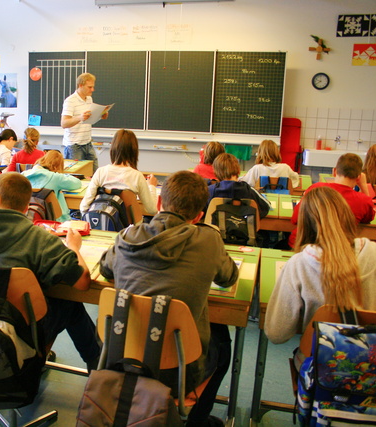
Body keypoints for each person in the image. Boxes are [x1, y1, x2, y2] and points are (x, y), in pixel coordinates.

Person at [99, 170, 239, 427]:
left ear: (160, 202)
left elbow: (105, 269)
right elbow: (229, 278)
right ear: (199, 215)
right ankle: (194, 420)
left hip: (122, 358)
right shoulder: (209, 240)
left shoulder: (127, 237)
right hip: (178, 370)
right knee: (223, 346)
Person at [0, 172, 101, 370]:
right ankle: (96, 366)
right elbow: (83, 282)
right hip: (23, 327)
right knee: (70, 304)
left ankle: (38, 358)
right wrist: (74, 248)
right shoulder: (38, 238)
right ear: (27, 207)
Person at [265, 186, 376, 369]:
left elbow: (276, 333)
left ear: (304, 223)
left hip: (323, 371)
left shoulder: (299, 264)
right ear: (348, 217)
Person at [285, 153, 374, 248]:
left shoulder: (316, 189)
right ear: (359, 178)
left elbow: (295, 219)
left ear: (334, 171)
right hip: (337, 251)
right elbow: (369, 218)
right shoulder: (363, 200)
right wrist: (364, 187)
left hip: (304, 246)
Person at [79, 129, 158, 215]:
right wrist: (152, 186)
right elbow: (152, 210)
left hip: (102, 225)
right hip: (129, 227)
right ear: (134, 151)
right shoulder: (137, 176)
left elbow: (83, 207)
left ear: (113, 148)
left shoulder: (100, 172)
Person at [61, 73, 108, 172]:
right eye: (89, 87)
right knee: (76, 176)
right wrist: (80, 117)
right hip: (74, 145)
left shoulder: (89, 99)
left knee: (95, 173)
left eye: (93, 87)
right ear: (80, 85)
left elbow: (89, 119)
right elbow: (64, 123)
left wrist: (101, 115)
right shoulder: (70, 101)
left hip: (87, 142)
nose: (92, 90)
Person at [22, 150, 81, 222]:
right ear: (57, 166)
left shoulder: (23, 175)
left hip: (29, 218)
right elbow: (77, 183)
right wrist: (63, 175)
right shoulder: (55, 177)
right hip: (56, 220)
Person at [206, 153, 271, 218]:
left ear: (216, 172)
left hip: (215, 227)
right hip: (243, 227)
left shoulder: (210, 191)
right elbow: (266, 206)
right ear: (238, 169)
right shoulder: (248, 190)